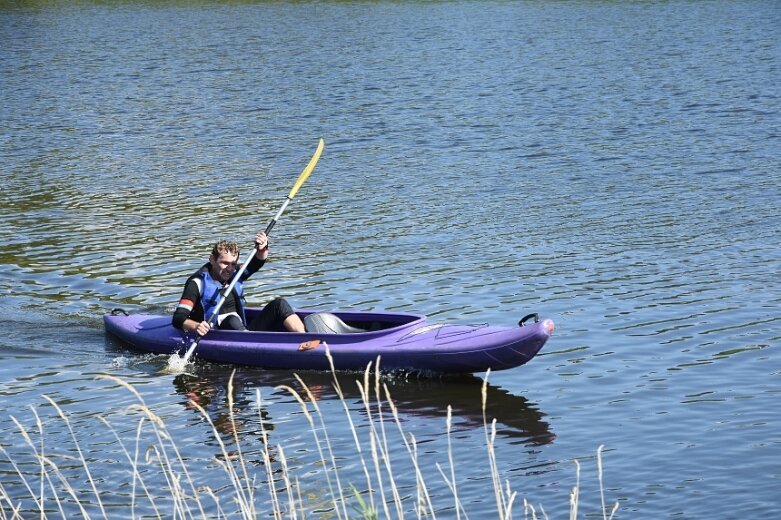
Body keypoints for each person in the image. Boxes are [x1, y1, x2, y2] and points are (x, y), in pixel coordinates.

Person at [172, 232, 305, 336]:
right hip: (216, 334)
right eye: (225, 263)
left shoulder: (234, 275)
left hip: (243, 331)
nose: (230, 268)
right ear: (212, 260)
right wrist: (196, 326)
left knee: (279, 304)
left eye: (233, 264)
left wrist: (263, 247)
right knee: (231, 319)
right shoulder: (196, 283)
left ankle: (304, 339)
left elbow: (256, 263)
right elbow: (178, 318)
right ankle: (252, 345)